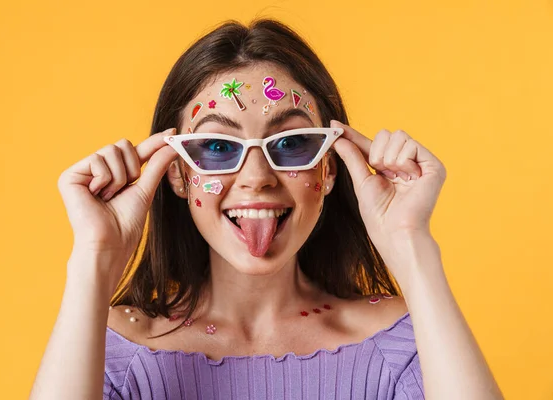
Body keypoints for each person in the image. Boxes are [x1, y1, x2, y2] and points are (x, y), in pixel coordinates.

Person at [29, 19, 503, 400]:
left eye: (293, 143)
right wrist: (95, 255)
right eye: (216, 145)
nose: (257, 177)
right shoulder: (114, 349)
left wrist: (411, 243)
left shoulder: (401, 346)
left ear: (331, 169)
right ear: (176, 172)